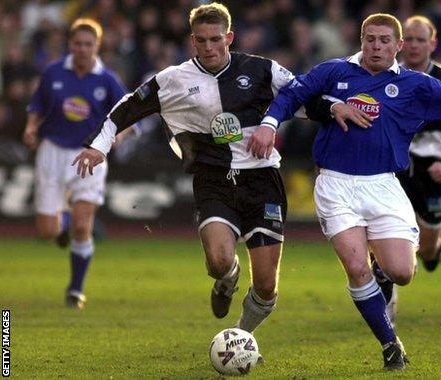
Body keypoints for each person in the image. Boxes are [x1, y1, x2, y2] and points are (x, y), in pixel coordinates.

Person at [248, 13, 441, 370]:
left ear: (398, 46)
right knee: (355, 267)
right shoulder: (334, 71)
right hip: (335, 184)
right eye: (370, 39)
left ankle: (384, 276)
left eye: (384, 41)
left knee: (402, 273)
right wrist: (270, 124)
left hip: (383, 185)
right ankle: (390, 344)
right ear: (361, 41)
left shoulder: (415, 85)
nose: (376, 46)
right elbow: (292, 93)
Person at [72, 3, 335, 337]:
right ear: (192, 41)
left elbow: (303, 99)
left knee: (266, 286)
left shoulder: (262, 70)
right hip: (213, 180)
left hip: (262, 179)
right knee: (219, 262)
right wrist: (99, 145)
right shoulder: (172, 80)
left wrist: (335, 108)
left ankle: (241, 335)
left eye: (215, 40)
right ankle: (227, 279)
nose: (209, 47)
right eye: (201, 41)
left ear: (229, 37)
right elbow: (127, 108)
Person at [371, 15, 441, 327]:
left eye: (422, 40)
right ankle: (386, 302)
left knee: (428, 243)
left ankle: (431, 253)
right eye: (411, 39)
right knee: (383, 231)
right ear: (402, 43)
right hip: (392, 165)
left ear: (433, 43)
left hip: (433, 167)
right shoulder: (384, 74)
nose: (415, 45)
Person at [23, 18, 136, 309]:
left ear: (97, 45)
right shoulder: (53, 72)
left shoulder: (107, 79)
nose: (83, 49)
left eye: (89, 44)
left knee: (84, 226)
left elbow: (128, 114)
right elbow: (37, 106)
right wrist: (31, 127)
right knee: (47, 231)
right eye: (78, 43)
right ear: (70, 45)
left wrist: (118, 135)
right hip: (52, 152)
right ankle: (64, 224)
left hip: (89, 154)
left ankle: (75, 290)